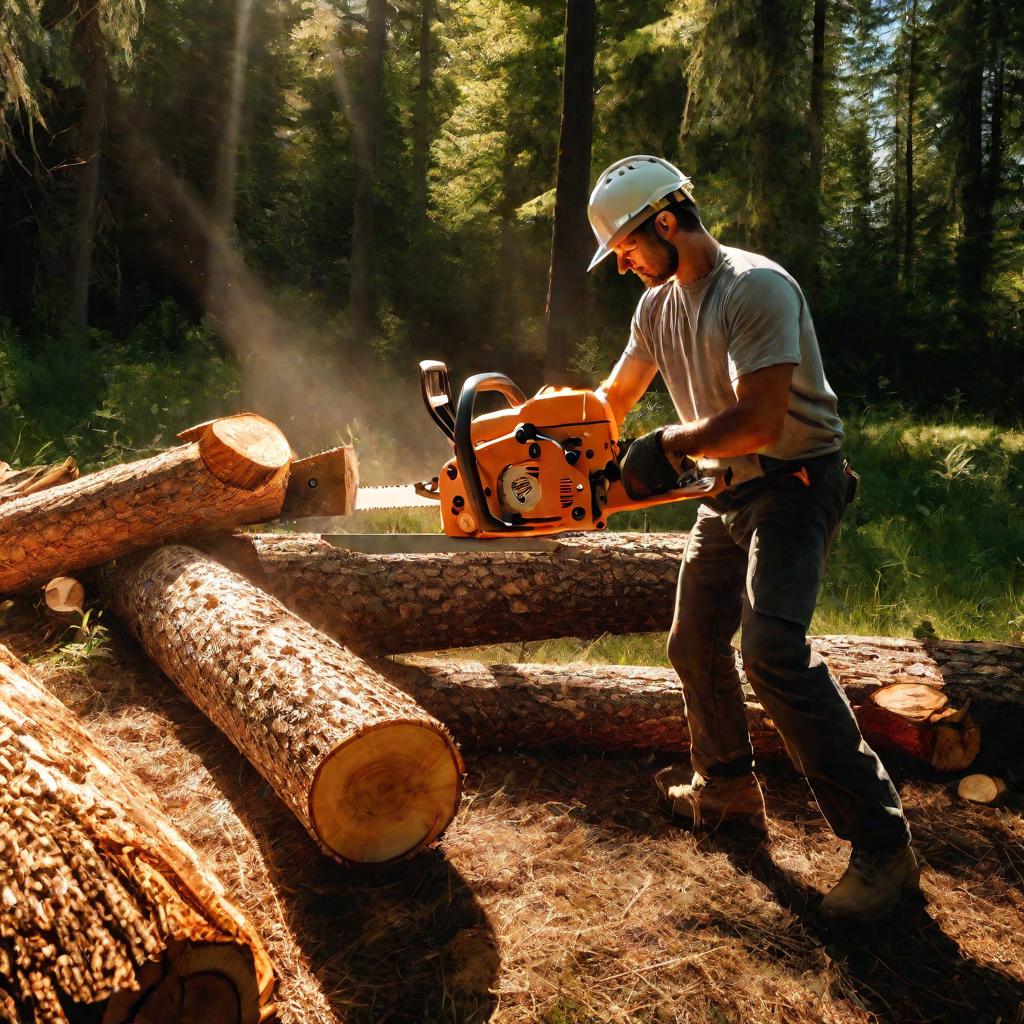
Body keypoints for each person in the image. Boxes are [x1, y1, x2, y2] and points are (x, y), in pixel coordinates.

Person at [588, 155, 918, 923]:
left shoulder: (754, 286)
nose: (624, 264)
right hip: (726, 492)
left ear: (665, 223)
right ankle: (727, 790)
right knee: (692, 640)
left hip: (795, 483)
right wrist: (553, 431)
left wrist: (668, 445)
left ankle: (883, 847)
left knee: (770, 649)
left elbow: (763, 419)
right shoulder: (656, 307)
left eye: (629, 248)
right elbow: (613, 398)